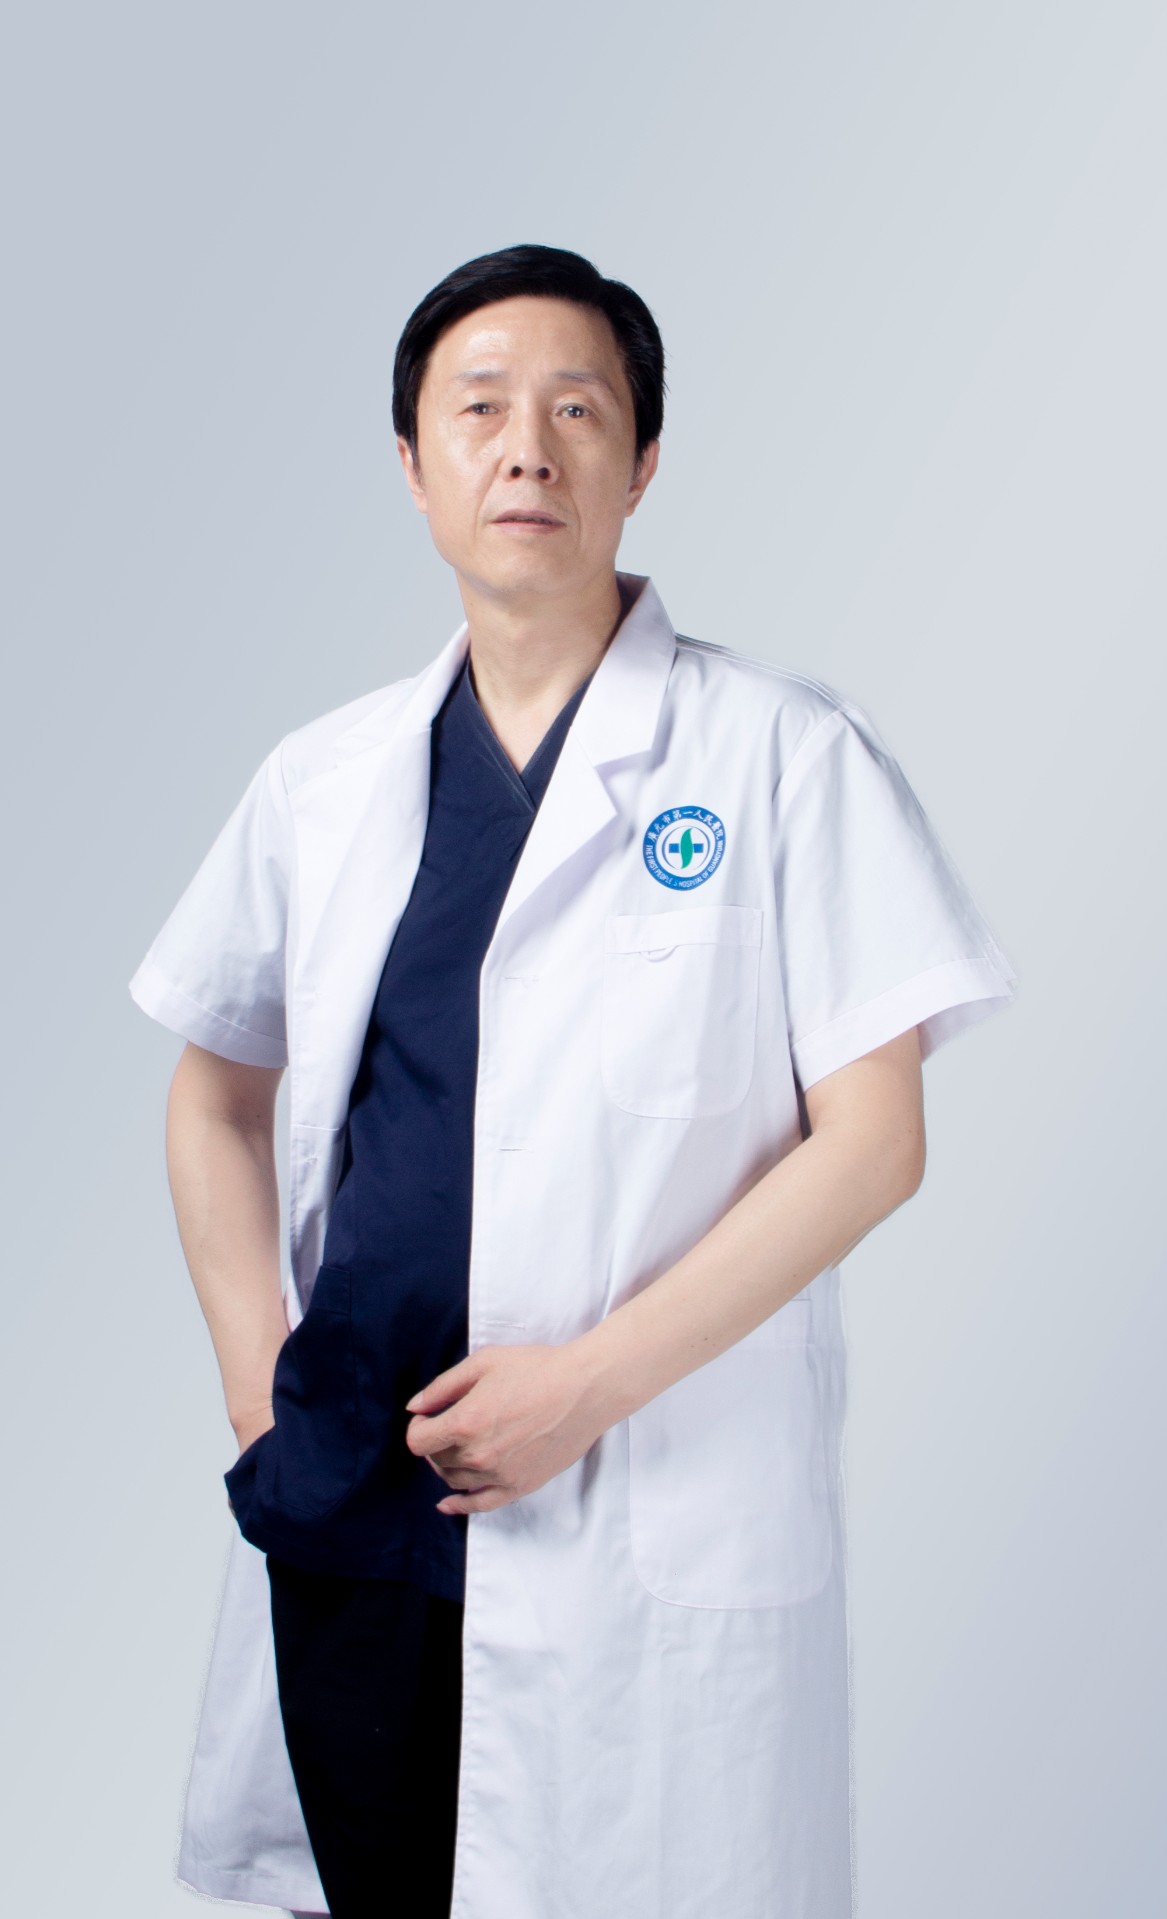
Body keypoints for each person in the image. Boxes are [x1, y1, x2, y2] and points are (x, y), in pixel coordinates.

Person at [129, 242, 1018, 1919]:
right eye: (478, 410)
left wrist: (590, 1388)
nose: (525, 449)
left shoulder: (780, 756)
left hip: (639, 1501)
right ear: (414, 466)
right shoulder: (323, 781)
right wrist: (262, 1397)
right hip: (356, 1503)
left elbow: (875, 1143)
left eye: (577, 410)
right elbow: (212, 1092)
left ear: (644, 459)